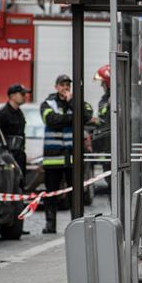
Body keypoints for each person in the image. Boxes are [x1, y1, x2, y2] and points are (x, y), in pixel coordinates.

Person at [40, 74, 94, 234]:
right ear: (56, 87)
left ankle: (76, 224)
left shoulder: (78, 103)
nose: (65, 88)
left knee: (75, 193)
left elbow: (86, 116)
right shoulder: (47, 103)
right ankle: (50, 225)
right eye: (62, 85)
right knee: (51, 193)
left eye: (68, 85)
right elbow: (51, 120)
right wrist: (72, 118)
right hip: (53, 158)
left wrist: (72, 102)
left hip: (73, 158)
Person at [0, 83, 30, 184]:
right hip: (7, 157)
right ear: (12, 96)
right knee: (8, 185)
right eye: (22, 94)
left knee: (19, 184)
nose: (25, 97)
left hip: (19, 156)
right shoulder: (2, 114)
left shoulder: (19, 113)